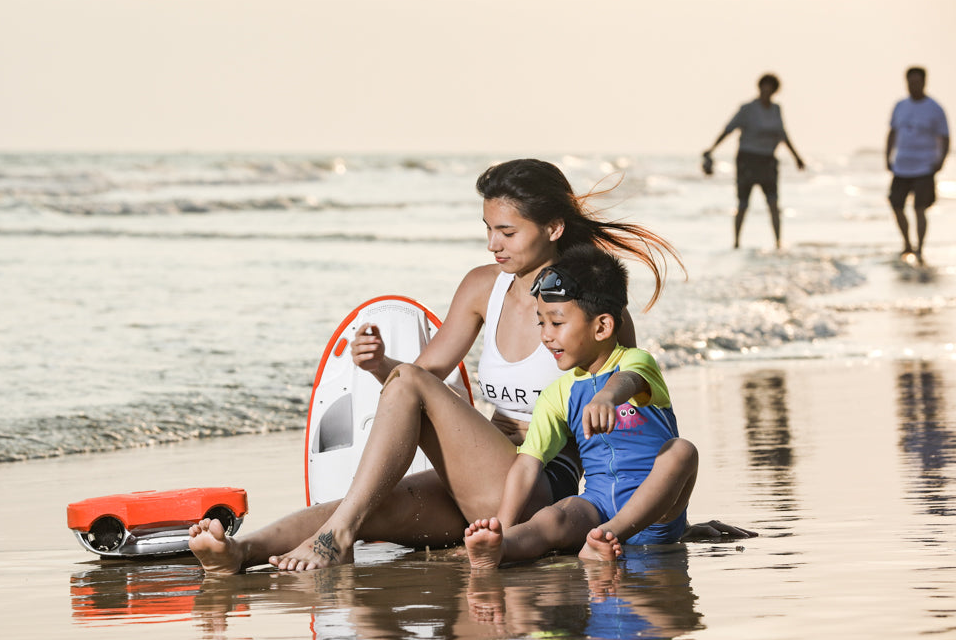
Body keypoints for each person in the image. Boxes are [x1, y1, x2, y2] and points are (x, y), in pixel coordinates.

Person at [188, 159, 745, 574]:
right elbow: (412, 383)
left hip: (539, 483)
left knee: (361, 500)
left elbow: (638, 430)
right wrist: (382, 365)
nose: (493, 244)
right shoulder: (484, 288)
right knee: (369, 507)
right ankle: (243, 551)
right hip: (476, 479)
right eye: (488, 229)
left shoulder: (589, 309)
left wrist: (672, 525)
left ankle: (336, 540)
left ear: (552, 228)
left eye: (507, 231)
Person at [463, 246, 697, 568]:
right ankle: (501, 547)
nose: (545, 336)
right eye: (540, 323)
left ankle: (607, 536)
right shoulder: (558, 394)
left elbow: (629, 379)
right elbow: (528, 463)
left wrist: (606, 397)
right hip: (596, 509)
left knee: (681, 451)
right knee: (555, 517)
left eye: (557, 323)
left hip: (656, 519)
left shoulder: (637, 362)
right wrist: (502, 524)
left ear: (602, 327)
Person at [704, 73, 806, 250]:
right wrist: (712, 149)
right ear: (759, 88)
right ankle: (736, 243)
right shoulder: (747, 109)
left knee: (773, 203)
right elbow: (728, 129)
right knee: (743, 204)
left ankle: (778, 243)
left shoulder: (776, 110)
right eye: (764, 86)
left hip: (768, 161)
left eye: (770, 87)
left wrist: (796, 157)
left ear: (774, 90)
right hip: (747, 160)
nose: (766, 90)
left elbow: (783, 135)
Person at [887, 66, 949, 264]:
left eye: (917, 82)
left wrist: (941, 161)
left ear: (924, 82)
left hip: (925, 166)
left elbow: (945, 137)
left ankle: (920, 249)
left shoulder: (935, 108)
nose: (913, 86)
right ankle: (907, 244)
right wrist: (887, 156)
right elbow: (892, 132)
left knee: (919, 208)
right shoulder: (900, 106)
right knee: (896, 204)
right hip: (901, 166)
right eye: (910, 82)